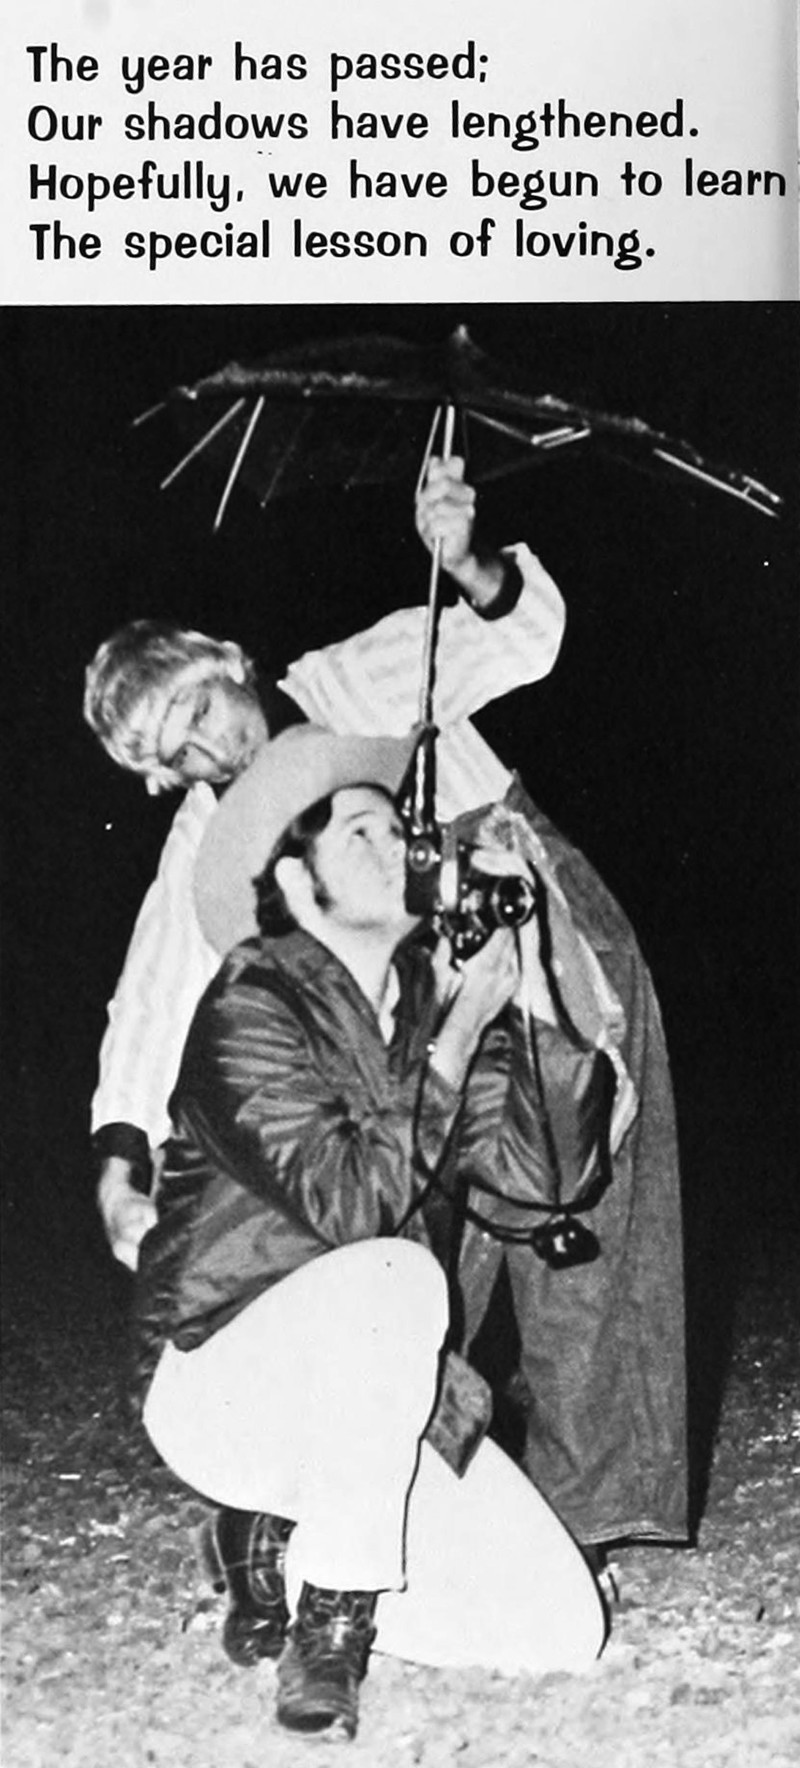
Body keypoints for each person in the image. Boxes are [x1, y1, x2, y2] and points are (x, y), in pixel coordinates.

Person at [85, 458, 687, 1555]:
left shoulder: (352, 680)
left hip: (529, 931)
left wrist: (466, 560)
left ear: (230, 662)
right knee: (408, 1250)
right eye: (178, 755)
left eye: (200, 710)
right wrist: (119, 1161)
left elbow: (522, 638)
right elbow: (156, 992)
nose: (211, 749)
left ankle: (593, 1517)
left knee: (581, 1203)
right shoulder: (212, 833)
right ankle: (403, 1513)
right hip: (412, 1014)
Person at [134, 726, 605, 1739]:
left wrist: (523, 990)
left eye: (400, 831)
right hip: (228, 1389)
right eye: (360, 833)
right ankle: (333, 1620)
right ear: (294, 884)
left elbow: (545, 1182)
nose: (399, 848)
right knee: (391, 1273)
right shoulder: (252, 1000)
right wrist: (456, 1040)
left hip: (370, 1411)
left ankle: (277, 1546)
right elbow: (350, 1206)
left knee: (563, 1628)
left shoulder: (431, 1010)